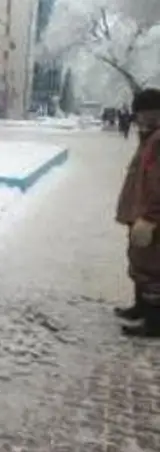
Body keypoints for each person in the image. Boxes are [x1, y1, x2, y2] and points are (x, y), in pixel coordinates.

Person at [114, 88, 160, 338]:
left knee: (152, 267)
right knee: (139, 261)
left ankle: (154, 321)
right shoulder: (149, 136)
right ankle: (141, 307)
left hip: (151, 217)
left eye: (143, 113)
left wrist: (151, 217)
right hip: (140, 211)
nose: (138, 118)